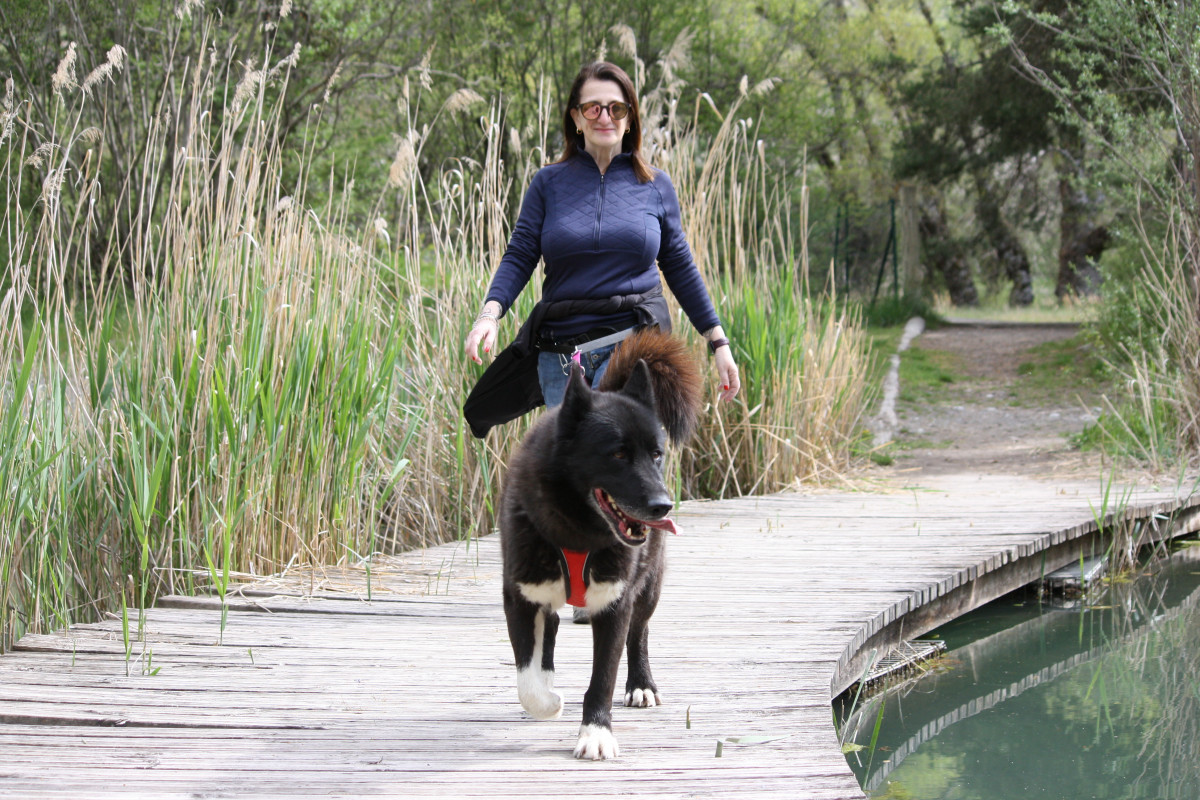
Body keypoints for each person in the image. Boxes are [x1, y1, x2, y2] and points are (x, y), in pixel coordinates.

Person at [463, 59, 739, 431]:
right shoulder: (548, 184)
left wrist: (718, 342)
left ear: (630, 118)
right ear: (576, 118)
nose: (604, 116)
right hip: (562, 354)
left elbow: (679, 266)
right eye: (593, 107)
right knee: (573, 476)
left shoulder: (656, 186)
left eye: (616, 107)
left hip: (633, 349)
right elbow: (520, 254)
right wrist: (489, 315)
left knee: (620, 464)